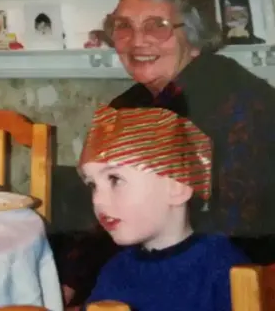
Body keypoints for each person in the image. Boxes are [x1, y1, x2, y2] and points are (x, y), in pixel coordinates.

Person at [60, 0, 275, 307]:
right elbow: (102, 211)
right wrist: (69, 282)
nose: (136, 40)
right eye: (124, 26)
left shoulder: (242, 102)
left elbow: (241, 231)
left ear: (192, 33)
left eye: (157, 26)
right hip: (149, 263)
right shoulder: (126, 107)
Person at [80, 105, 248, 310]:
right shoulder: (114, 272)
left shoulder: (223, 270)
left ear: (177, 186)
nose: (97, 200)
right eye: (92, 185)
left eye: (115, 179)